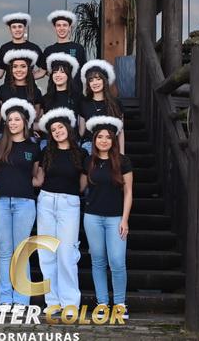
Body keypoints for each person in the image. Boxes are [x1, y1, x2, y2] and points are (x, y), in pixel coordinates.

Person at [0, 98, 41, 310]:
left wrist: (22, 184)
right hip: (0, 202)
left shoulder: (33, 147)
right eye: (9, 119)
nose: (12, 123)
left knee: (21, 252)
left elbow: (36, 176)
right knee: (4, 252)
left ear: (25, 122)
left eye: (17, 119)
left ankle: (21, 299)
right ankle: (5, 297)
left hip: (25, 203)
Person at [36, 108, 87, 315]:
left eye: (60, 127)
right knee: (46, 253)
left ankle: (70, 303)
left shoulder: (81, 154)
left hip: (69, 203)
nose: (57, 131)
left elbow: (82, 185)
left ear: (68, 128)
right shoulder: (46, 152)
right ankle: (53, 302)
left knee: (67, 253)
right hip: (46, 201)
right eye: (53, 130)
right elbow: (39, 178)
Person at [83, 115, 133, 320]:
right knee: (98, 261)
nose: (104, 140)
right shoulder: (89, 161)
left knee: (117, 261)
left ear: (113, 140)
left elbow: (128, 192)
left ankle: (120, 304)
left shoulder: (123, 161)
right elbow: (82, 187)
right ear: (94, 139)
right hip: (92, 217)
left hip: (115, 218)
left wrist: (125, 219)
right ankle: (102, 303)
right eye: (100, 137)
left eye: (108, 137)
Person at [78, 60, 125, 153]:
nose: (95, 83)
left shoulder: (116, 103)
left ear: (105, 81)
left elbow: (120, 131)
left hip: (110, 146)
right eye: (91, 80)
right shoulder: (84, 103)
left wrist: (122, 153)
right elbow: (81, 132)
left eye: (98, 79)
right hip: (89, 146)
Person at [42, 10, 87, 89]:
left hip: (75, 93)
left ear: (69, 28)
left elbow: (85, 72)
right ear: (55, 28)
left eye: (65, 25)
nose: (61, 28)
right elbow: (43, 71)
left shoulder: (78, 48)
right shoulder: (49, 50)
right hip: (54, 94)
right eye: (58, 25)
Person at [0, 12, 46, 79]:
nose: (17, 30)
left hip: (29, 86)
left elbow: (43, 70)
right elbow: (0, 72)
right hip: (9, 85)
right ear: (10, 29)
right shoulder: (4, 48)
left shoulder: (33, 48)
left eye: (20, 26)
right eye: (14, 27)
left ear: (25, 28)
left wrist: (29, 78)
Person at [0, 49, 43, 117]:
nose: (19, 70)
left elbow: (36, 118)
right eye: (15, 66)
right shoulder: (3, 89)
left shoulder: (36, 91)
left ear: (28, 69)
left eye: (23, 66)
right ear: (11, 69)